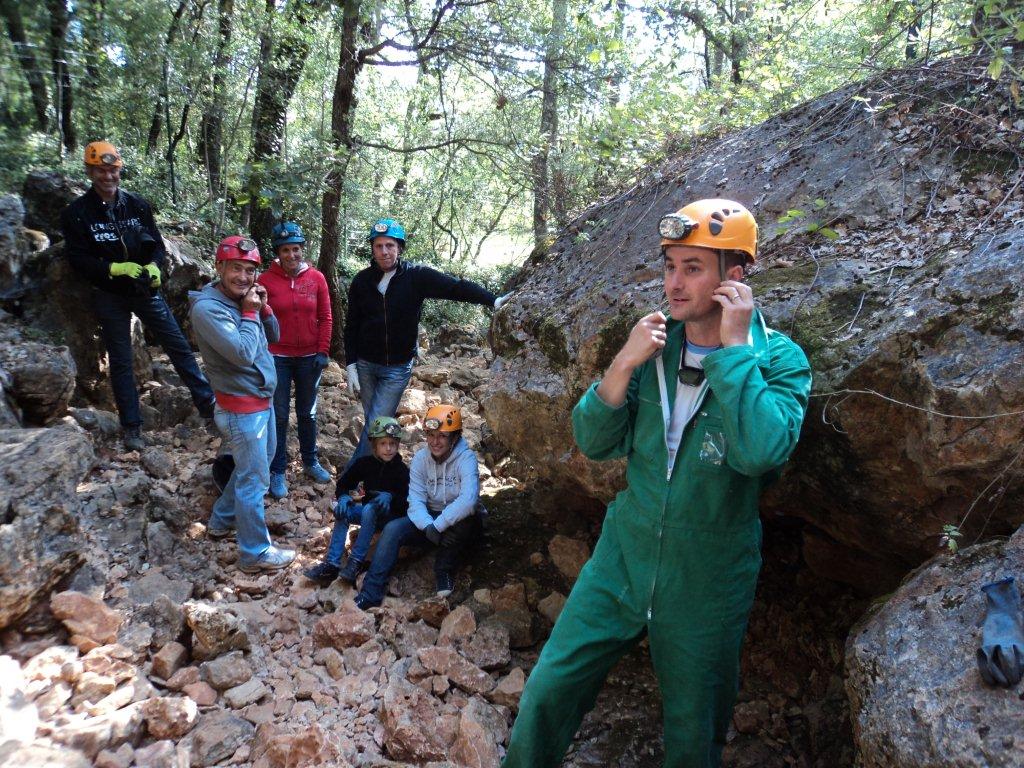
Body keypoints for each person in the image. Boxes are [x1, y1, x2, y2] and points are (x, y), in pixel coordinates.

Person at [502, 199, 812, 768]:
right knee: (549, 690)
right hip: (623, 557)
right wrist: (622, 363)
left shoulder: (779, 360)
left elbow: (761, 452)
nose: (674, 282)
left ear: (733, 277)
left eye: (693, 267)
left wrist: (736, 353)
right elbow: (595, 442)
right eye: (670, 266)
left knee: (693, 736)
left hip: (708, 579)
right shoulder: (653, 344)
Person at [61, 140, 215, 450]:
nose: (108, 176)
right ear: (90, 172)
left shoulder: (137, 206)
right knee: (121, 360)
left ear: (119, 171)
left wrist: (156, 267)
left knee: (178, 346)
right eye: (101, 171)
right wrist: (112, 268)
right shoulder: (77, 214)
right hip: (109, 293)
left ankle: (209, 408)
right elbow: (77, 258)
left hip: (144, 289)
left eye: (113, 170)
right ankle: (131, 427)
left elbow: (156, 245)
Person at [342, 218, 510, 468]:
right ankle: (382, 470)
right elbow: (352, 325)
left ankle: (353, 477)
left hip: (396, 368)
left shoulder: (416, 277)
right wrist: (351, 364)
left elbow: (455, 288)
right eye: (378, 246)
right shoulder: (362, 281)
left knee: (377, 421)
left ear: (400, 248)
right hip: (366, 364)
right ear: (372, 249)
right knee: (374, 422)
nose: (384, 251)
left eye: (390, 245)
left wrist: (492, 300)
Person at [188, 235, 295, 573]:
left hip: (261, 402)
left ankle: (221, 520)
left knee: (252, 469)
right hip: (241, 409)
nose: (244, 277)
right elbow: (242, 353)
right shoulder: (208, 309)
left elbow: (274, 335)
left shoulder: (243, 301)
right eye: (236, 268)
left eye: (250, 271)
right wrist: (250, 313)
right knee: (254, 481)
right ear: (219, 267)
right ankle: (254, 553)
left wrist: (264, 309)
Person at [353, 404, 483, 610]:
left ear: (455, 437)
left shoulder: (466, 459)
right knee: (393, 529)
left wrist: (437, 526)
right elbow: (415, 500)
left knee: (467, 519)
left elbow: (468, 500)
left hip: (458, 520)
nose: (435, 442)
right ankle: (371, 592)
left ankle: (444, 569)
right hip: (430, 519)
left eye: (442, 436)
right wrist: (428, 526)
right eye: (430, 435)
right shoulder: (421, 459)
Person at [257, 221, 333, 499]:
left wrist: (323, 350)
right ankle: (277, 469)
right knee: (278, 414)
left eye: (296, 249)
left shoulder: (317, 278)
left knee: (307, 412)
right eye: (286, 250)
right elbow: (258, 317)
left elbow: (325, 316)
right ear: (278, 252)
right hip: (277, 356)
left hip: (309, 357)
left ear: (303, 250)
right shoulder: (264, 280)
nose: (292, 255)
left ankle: (310, 461)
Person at [303, 416, 410, 588]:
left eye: (392, 443)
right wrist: (344, 497)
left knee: (369, 509)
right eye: (383, 444)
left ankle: (356, 562)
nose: (388, 448)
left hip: (390, 516)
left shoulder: (402, 470)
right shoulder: (365, 464)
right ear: (374, 445)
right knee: (344, 511)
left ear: (398, 444)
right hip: (369, 514)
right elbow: (344, 483)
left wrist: (391, 497)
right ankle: (332, 564)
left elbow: (408, 501)